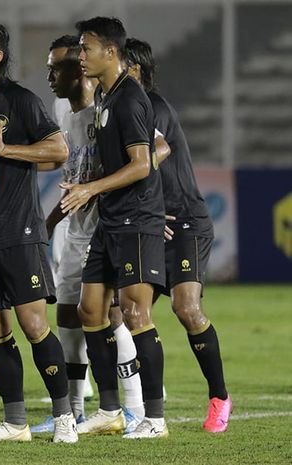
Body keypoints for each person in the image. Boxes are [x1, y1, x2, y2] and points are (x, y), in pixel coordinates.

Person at [0, 22, 77, 444]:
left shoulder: (20, 101)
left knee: (32, 323)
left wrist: (9, 151)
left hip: (17, 227)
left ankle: (65, 418)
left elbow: (59, 150)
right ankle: (15, 422)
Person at [34, 34, 158, 435]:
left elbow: (157, 150)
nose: (51, 74)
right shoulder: (59, 109)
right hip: (75, 227)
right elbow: (72, 173)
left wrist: (155, 207)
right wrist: (52, 219)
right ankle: (73, 410)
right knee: (72, 314)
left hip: (111, 224)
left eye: (60, 66)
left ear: (79, 69)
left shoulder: (110, 105)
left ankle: (136, 406)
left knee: (118, 316)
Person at [61, 16, 167, 439]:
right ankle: (109, 408)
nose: (80, 56)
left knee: (137, 313)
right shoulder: (107, 96)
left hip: (136, 220)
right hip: (112, 218)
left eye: (86, 49)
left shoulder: (129, 100)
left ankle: (154, 419)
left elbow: (143, 164)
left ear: (110, 51)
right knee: (90, 309)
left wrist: (91, 188)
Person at [124, 37, 231, 433]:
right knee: (126, 310)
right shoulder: (115, 107)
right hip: (151, 222)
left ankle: (219, 397)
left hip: (183, 220)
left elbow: (158, 150)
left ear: (135, 69)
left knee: (186, 308)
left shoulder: (151, 105)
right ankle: (139, 407)